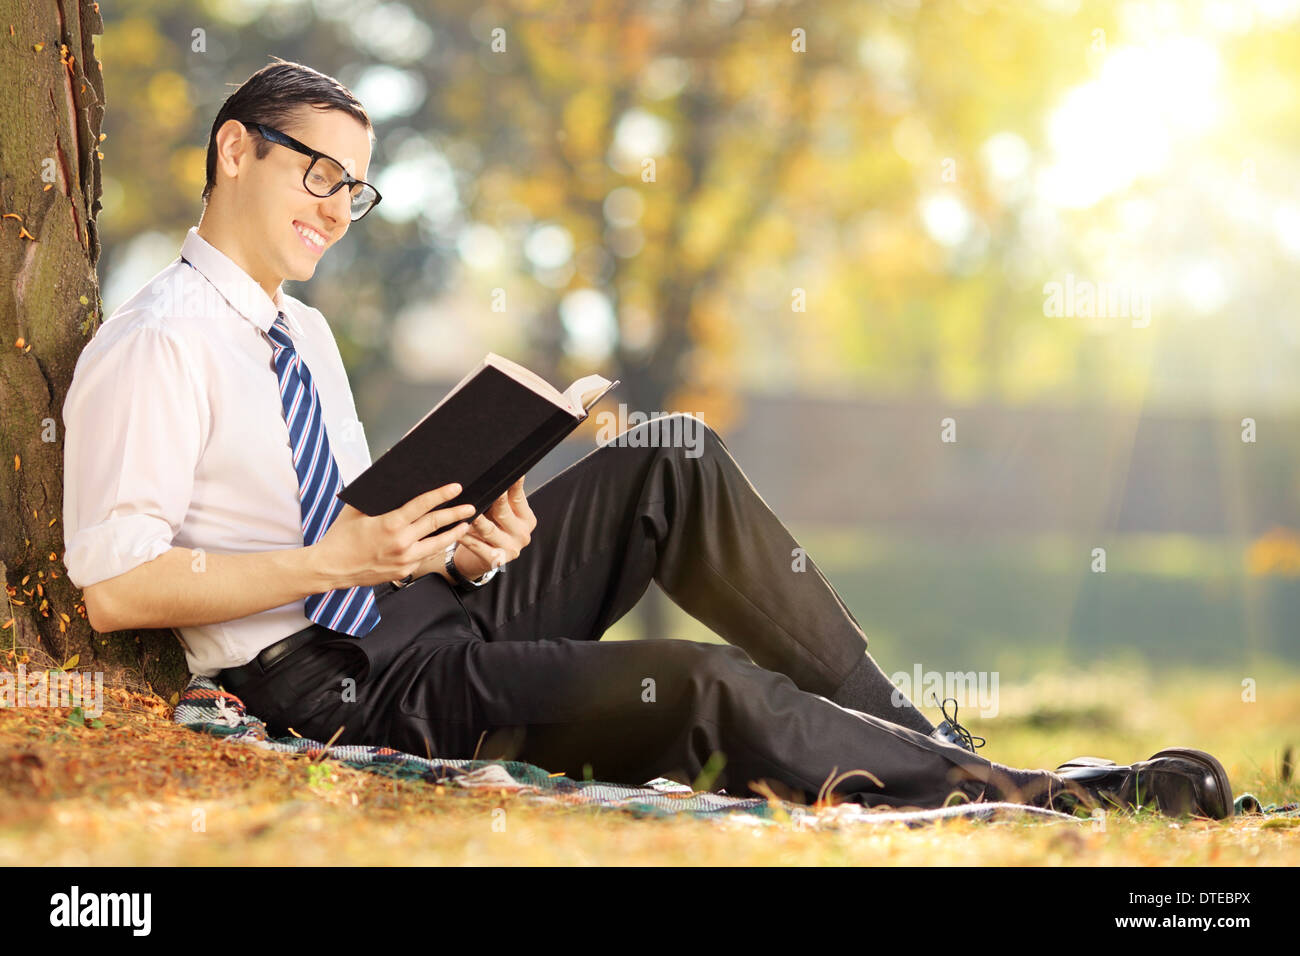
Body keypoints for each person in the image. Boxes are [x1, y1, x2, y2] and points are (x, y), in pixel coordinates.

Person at [61, 59, 1233, 820]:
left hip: (419, 609)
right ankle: (1023, 797)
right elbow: (114, 585)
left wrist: (470, 545)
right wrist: (341, 563)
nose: (335, 207)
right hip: (342, 684)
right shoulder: (155, 342)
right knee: (700, 684)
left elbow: (361, 529)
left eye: (355, 190)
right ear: (233, 149)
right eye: (319, 172)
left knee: (671, 454)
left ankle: (920, 735)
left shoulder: (303, 335)